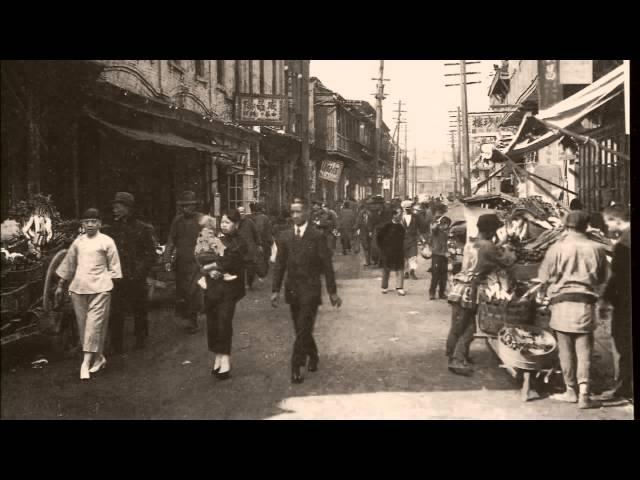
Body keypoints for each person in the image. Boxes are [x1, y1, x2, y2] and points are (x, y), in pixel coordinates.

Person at [537, 210, 609, 409]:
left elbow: (544, 277)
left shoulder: (557, 248)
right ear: (586, 226)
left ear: (566, 226)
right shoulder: (597, 248)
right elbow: (604, 279)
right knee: (584, 350)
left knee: (565, 350)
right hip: (585, 304)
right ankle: (584, 394)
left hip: (561, 303)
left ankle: (570, 391)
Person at [271, 198, 341, 384]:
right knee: (300, 328)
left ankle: (296, 365)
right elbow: (279, 265)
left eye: (298, 212)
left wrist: (332, 292)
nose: (295, 216)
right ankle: (314, 354)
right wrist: (275, 290)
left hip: (311, 290)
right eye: (292, 212)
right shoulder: (285, 236)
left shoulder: (317, 236)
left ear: (307, 213)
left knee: (303, 327)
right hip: (293, 290)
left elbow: (327, 266)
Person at [55, 208, 122, 380]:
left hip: (100, 289)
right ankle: (99, 358)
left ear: (100, 223)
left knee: (94, 324)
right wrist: (61, 285)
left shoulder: (107, 241)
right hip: (79, 288)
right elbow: (69, 264)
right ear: (82, 224)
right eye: (87, 222)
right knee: (84, 326)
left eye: (94, 221)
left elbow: (114, 268)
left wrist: (107, 283)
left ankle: (85, 363)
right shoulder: (78, 242)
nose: (90, 224)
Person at [447, 214, 514, 376]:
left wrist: (500, 243)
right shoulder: (488, 247)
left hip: (458, 286)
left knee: (458, 324)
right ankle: (457, 360)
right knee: (468, 327)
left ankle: (452, 353)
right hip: (470, 289)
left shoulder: (471, 244)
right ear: (492, 230)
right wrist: (508, 246)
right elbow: (507, 261)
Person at [195, 211, 247, 380]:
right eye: (223, 222)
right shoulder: (216, 239)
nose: (224, 225)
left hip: (230, 288)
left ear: (236, 224)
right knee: (213, 322)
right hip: (213, 286)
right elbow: (204, 255)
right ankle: (217, 357)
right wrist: (209, 271)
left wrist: (210, 268)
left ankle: (225, 360)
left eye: (228, 222)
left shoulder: (240, 241)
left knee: (224, 321)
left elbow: (230, 261)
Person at [105, 192, 157, 353]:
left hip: (136, 275)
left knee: (139, 308)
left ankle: (141, 338)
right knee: (116, 310)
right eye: (114, 207)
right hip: (117, 276)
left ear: (128, 208)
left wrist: (140, 271)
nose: (115, 210)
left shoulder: (143, 228)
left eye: (119, 207)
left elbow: (151, 254)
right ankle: (116, 344)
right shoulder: (111, 230)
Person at [599, 205, 632, 403]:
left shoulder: (622, 245)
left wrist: (604, 300)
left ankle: (623, 388)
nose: (606, 226)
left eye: (608, 222)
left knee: (622, 345)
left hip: (625, 304)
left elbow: (617, 278)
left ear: (617, 221)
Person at [163, 191, 204, 334]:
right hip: (181, 262)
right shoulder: (177, 221)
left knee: (193, 291)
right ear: (182, 207)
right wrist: (167, 259)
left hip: (196, 261)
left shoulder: (201, 219)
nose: (188, 208)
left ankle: (193, 321)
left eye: (191, 206)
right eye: (185, 206)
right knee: (183, 292)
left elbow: (209, 239)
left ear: (195, 206)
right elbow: (171, 240)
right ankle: (188, 317)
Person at [377, 207, 407, 296]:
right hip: (388, 251)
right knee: (386, 269)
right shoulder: (386, 226)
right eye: (399, 214)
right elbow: (379, 238)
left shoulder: (401, 227)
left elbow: (403, 239)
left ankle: (400, 288)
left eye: (401, 214)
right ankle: (384, 287)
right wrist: (383, 248)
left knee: (400, 268)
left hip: (399, 251)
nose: (401, 216)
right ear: (394, 215)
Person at [400, 200, 427, 280]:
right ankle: (405, 272)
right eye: (406, 209)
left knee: (413, 256)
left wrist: (422, 238)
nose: (408, 210)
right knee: (404, 257)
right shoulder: (399, 217)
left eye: (409, 209)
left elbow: (421, 227)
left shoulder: (416, 217)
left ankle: (412, 271)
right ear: (403, 209)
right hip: (402, 239)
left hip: (412, 238)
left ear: (411, 208)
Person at [429, 204, 451, 300]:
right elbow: (433, 228)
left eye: (446, 224)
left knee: (444, 276)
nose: (445, 226)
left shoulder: (447, 233)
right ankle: (432, 292)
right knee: (435, 275)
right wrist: (438, 222)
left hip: (444, 256)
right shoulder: (436, 231)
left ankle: (441, 293)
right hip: (436, 255)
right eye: (443, 224)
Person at [237, 206, 260, 289]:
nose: (241, 213)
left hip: (249, 249)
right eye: (239, 212)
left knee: (250, 268)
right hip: (239, 249)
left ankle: (249, 283)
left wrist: (258, 244)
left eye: (243, 212)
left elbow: (256, 233)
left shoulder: (250, 222)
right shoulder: (235, 222)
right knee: (239, 268)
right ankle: (240, 284)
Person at [249, 203, 272, 279]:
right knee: (264, 258)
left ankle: (254, 276)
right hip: (263, 242)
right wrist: (269, 241)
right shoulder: (264, 218)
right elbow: (266, 231)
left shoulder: (249, 217)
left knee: (254, 259)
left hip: (252, 243)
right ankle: (262, 274)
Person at [356, 200, 376, 267]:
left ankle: (370, 261)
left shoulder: (371, 214)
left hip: (370, 233)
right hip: (364, 233)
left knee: (370, 247)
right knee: (366, 247)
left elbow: (373, 223)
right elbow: (358, 223)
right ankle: (368, 261)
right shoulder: (361, 214)